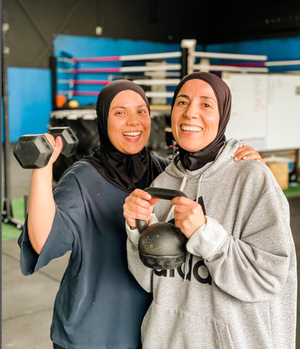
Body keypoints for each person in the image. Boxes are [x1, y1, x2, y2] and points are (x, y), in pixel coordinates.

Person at [18, 79, 264, 349]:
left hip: (152, 332)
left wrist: (244, 166)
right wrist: (42, 170)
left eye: (141, 111)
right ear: (103, 120)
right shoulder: (82, 177)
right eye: (120, 112)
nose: (133, 121)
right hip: (90, 332)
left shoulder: (167, 173)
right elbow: (43, 241)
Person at [124, 72, 297, 349]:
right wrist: (138, 230)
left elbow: (269, 278)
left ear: (223, 116)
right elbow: (150, 281)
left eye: (206, 104)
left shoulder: (252, 178)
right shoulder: (162, 184)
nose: (190, 113)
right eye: (182, 102)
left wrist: (206, 235)